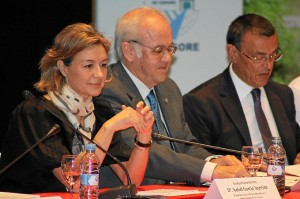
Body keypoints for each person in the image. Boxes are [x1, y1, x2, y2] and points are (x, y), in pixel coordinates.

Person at [96, 7, 249, 187]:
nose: (167, 58)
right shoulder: (107, 91)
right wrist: (210, 171)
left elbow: (185, 144)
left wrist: (214, 161)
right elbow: (144, 153)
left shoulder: (169, 88)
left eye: (170, 49)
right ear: (129, 51)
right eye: (158, 50)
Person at [0, 23, 154, 193]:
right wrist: (108, 129)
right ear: (63, 68)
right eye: (88, 66)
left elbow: (131, 178)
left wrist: (144, 136)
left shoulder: (101, 110)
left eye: (103, 65)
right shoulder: (36, 113)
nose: (99, 74)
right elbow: (76, 182)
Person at [183, 13, 300, 165]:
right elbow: (198, 162)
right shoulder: (202, 103)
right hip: (242, 186)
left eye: (273, 55)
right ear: (233, 53)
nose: (268, 65)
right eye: (259, 57)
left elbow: (296, 145)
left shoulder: (283, 94)